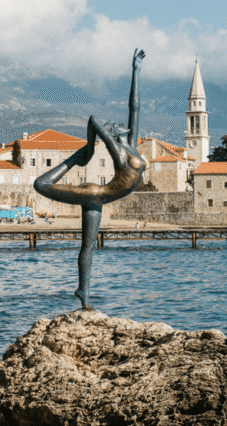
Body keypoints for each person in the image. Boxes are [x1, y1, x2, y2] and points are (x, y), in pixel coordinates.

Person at [34, 49, 147, 311]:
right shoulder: (117, 150)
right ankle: (74, 159)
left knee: (88, 246)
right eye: (115, 125)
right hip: (94, 194)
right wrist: (90, 147)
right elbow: (94, 120)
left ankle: (83, 292)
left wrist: (136, 71)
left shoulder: (130, 144)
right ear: (114, 132)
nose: (121, 123)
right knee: (40, 185)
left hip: (99, 198)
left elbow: (135, 107)